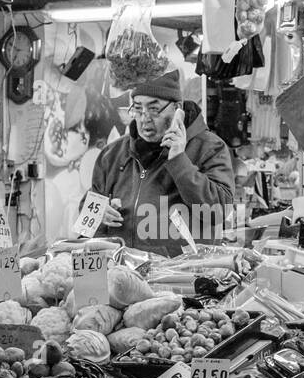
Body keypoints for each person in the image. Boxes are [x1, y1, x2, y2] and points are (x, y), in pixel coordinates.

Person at [87, 69, 235, 258]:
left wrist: (179, 161)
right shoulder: (113, 153)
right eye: (138, 108)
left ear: (177, 108)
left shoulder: (209, 147)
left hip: (180, 275)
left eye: (154, 109)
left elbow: (219, 211)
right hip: (122, 270)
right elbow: (88, 210)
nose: (144, 118)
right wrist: (99, 212)